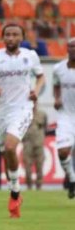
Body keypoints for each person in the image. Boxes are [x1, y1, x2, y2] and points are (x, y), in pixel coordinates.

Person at [0, 23, 45, 218]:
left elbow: (41, 77)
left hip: (22, 109)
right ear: (3, 37)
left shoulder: (30, 56)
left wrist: (36, 91)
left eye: (15, 34)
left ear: (22, 37)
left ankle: (14, 193)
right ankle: (15, 192)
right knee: (6, 156)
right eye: (7, 34)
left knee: (9, 147)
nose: (11, 38)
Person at [52, 38, 75, 198]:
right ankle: (72, 179)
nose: (73, 49)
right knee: (62, 151)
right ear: (67, 49)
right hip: (66, 115)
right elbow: (55, 85)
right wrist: (57, 98)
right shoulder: (58, 68)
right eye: (71, 46)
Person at [21, 102, 46, 190]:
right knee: (27, 166)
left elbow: (45, 127)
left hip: (39, 144)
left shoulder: (42, 114)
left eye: (34, 103)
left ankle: (39, 185)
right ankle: (29, 185)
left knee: (40, 165)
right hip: (27, 143)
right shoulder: (24, 115)